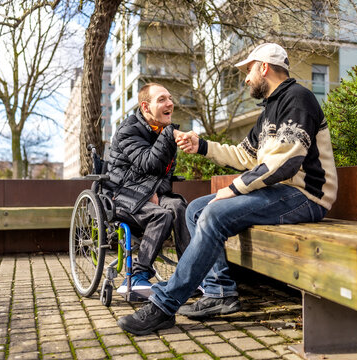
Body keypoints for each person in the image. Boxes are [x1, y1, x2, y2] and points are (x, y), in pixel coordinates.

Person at [117, 43, 338, 335]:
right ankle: (219, 293)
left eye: (248, 70)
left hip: (306, 196)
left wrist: (234, 189)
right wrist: (202, 146)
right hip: (279, 193)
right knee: (195, 209)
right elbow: (247, 156)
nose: (246, 78)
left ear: (264, 67)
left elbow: (285, 162)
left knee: (214, 213)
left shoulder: (298, 99)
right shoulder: (270, 109)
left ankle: (163, 306)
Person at [103, 83, 191, 295]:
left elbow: (165, 174)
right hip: (121, 195)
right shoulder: (128, 130)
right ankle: (136, 276)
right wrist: (169, 134)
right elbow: (148, 163)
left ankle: (190, 275)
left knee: (178, 205)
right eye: (161, 99)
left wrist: (155, 192)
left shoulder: (162, 131)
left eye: (170, 98)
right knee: (161, 216)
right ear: (145, 107)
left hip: (150, 194)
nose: (170, 103)